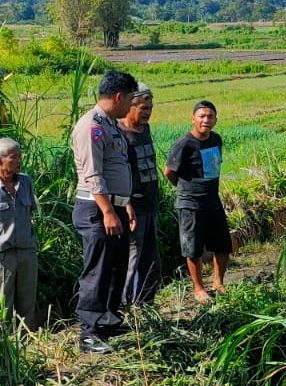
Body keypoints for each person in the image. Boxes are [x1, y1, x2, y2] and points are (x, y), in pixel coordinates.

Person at [72, 70, 138, 353]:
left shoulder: (111, 124)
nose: (132, 105)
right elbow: (93, 174)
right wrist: (109, 212)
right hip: (97, 209)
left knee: (115, 266)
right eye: (131, 98)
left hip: (114, 206)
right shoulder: (92, 126)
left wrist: (125, 205)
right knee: (97, 269)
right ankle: (88, 332)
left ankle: (108, 319)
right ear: (119, 96)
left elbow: (117, 168)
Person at [164, 100, 231, 303]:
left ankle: (218, 282)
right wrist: (186, 189)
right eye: (201, 116)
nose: (206, 120)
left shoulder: (216, 139)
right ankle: (198, 288)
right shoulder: (184, 144)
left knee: (223, 244)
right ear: (193, 119)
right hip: (190, 202)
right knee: (193, 248)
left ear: (216, 119)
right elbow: (169, 172)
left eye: (210, 116)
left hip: (212, 198)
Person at [120, 83, 161, 305]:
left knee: (151, 260)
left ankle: (145, 305)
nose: (148, 112)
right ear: (129, 106)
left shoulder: (145, 129)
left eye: (150, 107)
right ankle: (124, 308)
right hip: (132, 208)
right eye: (143, 108)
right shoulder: (119, 133)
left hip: (150, 204)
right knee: (131, 260)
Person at [0, 138, 37, 331]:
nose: (19, 160)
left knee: (27, 301)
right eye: (14, 157)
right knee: (3, 304)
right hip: (3, 256)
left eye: (20, 156)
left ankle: (28, 344)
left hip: (27, 251)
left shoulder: (25, 181)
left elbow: (30, 212)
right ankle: (6, 348)